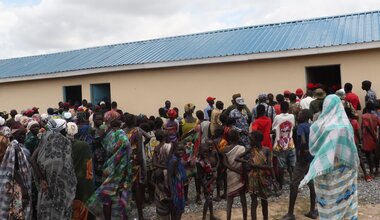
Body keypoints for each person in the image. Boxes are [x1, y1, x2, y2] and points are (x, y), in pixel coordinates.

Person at [300, 95, 359, 220]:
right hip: (344, 169)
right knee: (346, 199)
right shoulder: (344, 125)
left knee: (328, 201)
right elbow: (351, 149)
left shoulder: (318, 125)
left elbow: (315, 147)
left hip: (324, 167)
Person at [87, 115, 132, 220]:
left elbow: (107, 150)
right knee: (121, 193)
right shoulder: (121, 135)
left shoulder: (107, 135)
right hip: (120, 168)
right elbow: (126, 148)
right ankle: (122, 217)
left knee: (107, 194)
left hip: (108, 167)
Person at [31, 119, 77, 220]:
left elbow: (32, 159)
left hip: (46, 184)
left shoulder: (45, 138)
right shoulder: (65, 142)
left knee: (46, 208)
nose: (66, 131)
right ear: (61, 129)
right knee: (60, 210)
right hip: (62, 185)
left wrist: (42, 179)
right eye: (64, 128)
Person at [281, 109, 318, 220]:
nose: (298, 115)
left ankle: (290, 213)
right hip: (312, 158)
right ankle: (312, 210)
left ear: (305, 116)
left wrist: (302, 151)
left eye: (300, 114)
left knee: (294, 184)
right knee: (311, 184)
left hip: (302, 160)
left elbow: (302, 141)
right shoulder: (313, 126)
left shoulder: (301, 127)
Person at [237, 131, 272, 220]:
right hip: (253, 178)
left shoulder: (267, 150)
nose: (250, 141)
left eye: (251, 139)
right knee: (254, 202)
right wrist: (247, 162)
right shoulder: (251, 149)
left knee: (264, 201)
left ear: (257, 140)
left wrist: (257, 166)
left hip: (263, 178)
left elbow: (270, 166)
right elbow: (237, 158)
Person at [0, 128, 32, 220]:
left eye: (24, 135)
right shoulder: (14, 149)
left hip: (12, 184)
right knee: (17, 208)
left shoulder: (17, 148)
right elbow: (13, 169)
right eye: (20, 135)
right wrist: (23, 187)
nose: (23, 137)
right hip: (15, 184)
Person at [66, 122, 94, 220]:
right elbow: (89, 165)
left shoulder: (61, 146)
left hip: (67, 182)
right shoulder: (84, 145)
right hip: (84, 182)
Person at [123, 113, 149, 220]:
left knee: (125, 187)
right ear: (134, 121)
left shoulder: (123, 131)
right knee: (137, 187)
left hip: (125, 160)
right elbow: (148, 138)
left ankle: (124, 214)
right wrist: (142, 164)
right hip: (135, 161)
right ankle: (140, 215)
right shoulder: (137, 131)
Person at [223, 129, 247, 220]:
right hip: (240, 175)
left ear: (228, 138)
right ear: (238, 137)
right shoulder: (242, 148)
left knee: (229, 201)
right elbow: (243, 164)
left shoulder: (225, 149)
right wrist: (244, 175)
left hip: (229, 175)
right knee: (243, 199)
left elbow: (225, 164)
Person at [272, 101, 296, 189]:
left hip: (280, 145)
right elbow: (293, 126)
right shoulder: (292, 116)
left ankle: (281, 185)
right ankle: (294, 183)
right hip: (290, 143)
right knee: (292, 165)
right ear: (288, 108)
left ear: (280, 109)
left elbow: (273, 128)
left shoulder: (277, 117)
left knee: (281, 166)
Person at [345, 107, 372, 182]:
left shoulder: (342, 123)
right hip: (354, 142)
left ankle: (349, 177)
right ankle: (366, 175)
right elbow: (358, 133)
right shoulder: (354, 122)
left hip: (345, 143)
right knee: (359, 158)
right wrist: (360, 142)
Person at [197, 142, 219, 220]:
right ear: (200, 151)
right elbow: (199, 176)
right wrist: (205, 186)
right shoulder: (199, 162)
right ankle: (204, 217)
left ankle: (211, 216)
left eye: (206, 152)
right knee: (208, 200)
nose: (206, 153)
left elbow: (208, 168)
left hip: (210, 180)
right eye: (204, 152)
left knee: (210, 199)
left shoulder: (206, 159)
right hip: (206, 182)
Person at [168, 142, 188, 220]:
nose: (181, 152)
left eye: (182, 150)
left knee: (177, 209)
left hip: (178, 186)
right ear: (174, 150)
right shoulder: (174, 161)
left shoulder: (178, 159)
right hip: (175, 187)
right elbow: (170, 176)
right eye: (179, 150)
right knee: (177, 208)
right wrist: (172, 191)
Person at [361, 102, 380, 176]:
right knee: (375, 155)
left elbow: (366, 127)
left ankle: (371, 171)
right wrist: (376, 136)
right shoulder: (375, 116)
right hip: (375, 138)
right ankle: (376, 170)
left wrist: (362, 137)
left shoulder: (364, 116)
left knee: (368, 155)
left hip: (367, 137)